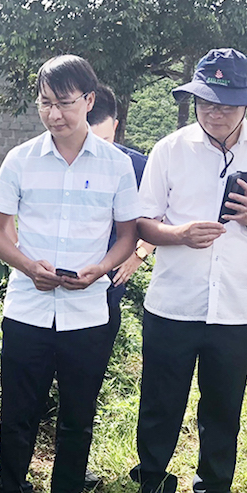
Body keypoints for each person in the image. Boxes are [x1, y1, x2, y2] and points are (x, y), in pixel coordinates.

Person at [130, 48, 247, 493]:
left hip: (235, 305)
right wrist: (179, 234)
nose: (216, 112)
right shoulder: (170, 150)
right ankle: (151, 488)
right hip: (174, 300)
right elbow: (143, 222)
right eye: (206, 102)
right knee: (160, 401)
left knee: (224, 406)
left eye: (226, 104)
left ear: (246, 103)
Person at [0, 55, 140, 493]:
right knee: (19, 409)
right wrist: (28, 266)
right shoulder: (21, 160)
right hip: (28, 307)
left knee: (79, 410)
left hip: (87, 310)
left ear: (89, 101)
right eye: (45, 103)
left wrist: (101, 269)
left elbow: (128, 236)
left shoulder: (116, 165)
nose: (54, 114)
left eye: (65, 103)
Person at [85, 83, 154, 348]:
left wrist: (139, 254)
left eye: (104, 140)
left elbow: (162, 214)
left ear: (115, 126)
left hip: (108, 289)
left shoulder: (137, 167)